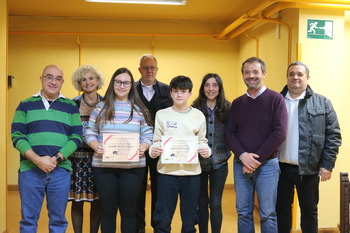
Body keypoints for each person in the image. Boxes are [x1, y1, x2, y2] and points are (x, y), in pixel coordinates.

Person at [11, 65, 83, 232]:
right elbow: (17, 136)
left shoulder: (71, 106)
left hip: (60, 171)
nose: (53, 81)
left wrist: (56, 159)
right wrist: (37, 160)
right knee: (28, 221)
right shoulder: (25, 105)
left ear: (63, 82)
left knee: (58, 221)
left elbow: (76, 137)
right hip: (30, 170)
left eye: (58, 78)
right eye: (49, 77)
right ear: (41, 79)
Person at [84, 67, 153, 233]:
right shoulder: (100, 108)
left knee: (128, 212)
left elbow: (148, 134)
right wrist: (95, 145)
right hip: (104, 168)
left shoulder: (139, 110)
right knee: (108, 212)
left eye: (126, 83)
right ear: (112, 83)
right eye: (118, 82)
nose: (122, 86)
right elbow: (89, 132)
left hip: (133, 169)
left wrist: (143, 147)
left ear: (131, 86)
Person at [276, 61, 342, 233]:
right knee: (281, 210)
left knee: (310, 211)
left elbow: (333, 136)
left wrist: (327, 165)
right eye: (291, 74)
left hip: (309, 169)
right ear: (287, 77)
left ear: (307, 78)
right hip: (280, 168)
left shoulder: (323, 103)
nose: (295, 77)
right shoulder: (277, 101)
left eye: (299, 74)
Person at [226, 57, 288, 233]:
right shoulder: (237, 103)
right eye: (247, 72)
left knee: (267, 213)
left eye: (255, 72)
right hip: (241, 164)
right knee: (243, 212)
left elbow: (280, 132)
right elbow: (230, 133)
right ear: (243, 75)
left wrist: (255, 160)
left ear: (264, 73)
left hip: (267, 165)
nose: (251, 76)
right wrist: (243, 157)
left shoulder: (276, 99)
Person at [149, 75, 211, 233]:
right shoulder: (162, 114)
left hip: (191, 174)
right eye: (175, 91)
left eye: (183, 91)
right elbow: (156, 140)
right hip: (166, 173)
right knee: (162, 218)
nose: (179, 95)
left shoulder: (198, 115)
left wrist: (206, 150)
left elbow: (202, 140)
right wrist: (153, 150)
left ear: (190, 93)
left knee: (190, 220)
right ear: (170, 93)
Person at [134, 54, 172, 233]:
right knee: (137, 190)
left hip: (161, 148)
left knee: (160, 189)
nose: (149, 71)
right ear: (139, 69)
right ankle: (138, 227)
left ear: (157, 69)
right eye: (145, 67)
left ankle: (158, 227)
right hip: (137, 148)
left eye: (152, 67)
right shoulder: (131, 90)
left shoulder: (168, 90)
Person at [192, 73, 231, 233]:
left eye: (214, 85)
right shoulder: (194, 108)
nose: (210, 89)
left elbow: (234, 133)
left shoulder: (228, 108)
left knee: (215, 203)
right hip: (199, 163)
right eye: (207, 85)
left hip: (220, 163)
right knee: (201, 203)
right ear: (202, 88)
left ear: (219, 88)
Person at [69, 65, 105, 233]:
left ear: (97, 81)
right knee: (77, 201)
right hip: (76, 159)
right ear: (79, 83)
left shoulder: (107, 104)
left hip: (100, 159)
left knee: (97, 201)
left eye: (91, 78)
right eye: (83, 79)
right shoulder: (72, 104)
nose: (88, 82)